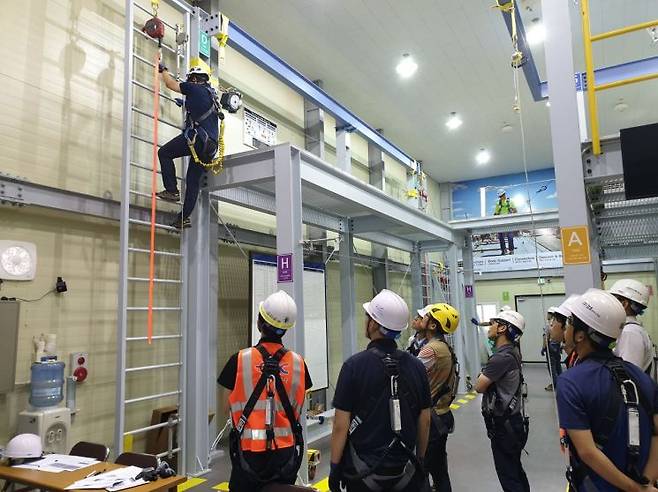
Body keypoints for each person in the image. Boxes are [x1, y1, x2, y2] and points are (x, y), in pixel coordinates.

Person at [329, 289, 432, 492]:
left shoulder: (353, 366)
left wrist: (334, 467)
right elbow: (425, 420)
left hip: (362, 474)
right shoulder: (416, 366)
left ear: (374, 324)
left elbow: (341, 424)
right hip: (405, 471)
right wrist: (419, 460)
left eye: (367, 317)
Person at [556, 288, 658, 492]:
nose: (565, 328)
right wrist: (646, 482)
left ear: (580, 336)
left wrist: (636, 490)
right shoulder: (640, 377)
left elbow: (587, 452)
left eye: (569, 323)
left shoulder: (570, 382)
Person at [217, 290, 313, 491]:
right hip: (285, 454)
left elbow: (226, 407)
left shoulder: (239, 360)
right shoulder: (299, 364)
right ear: (286, 329)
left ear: (260, 323)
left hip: (248, 454)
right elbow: (301, 405)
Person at [157, 64, 219, 229]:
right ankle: (183, 218)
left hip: (198, 139)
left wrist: (163, 71)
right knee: (193, 182)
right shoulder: (210, 95)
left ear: (194, 79)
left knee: (164, 153)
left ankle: (172, 190)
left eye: (189, 79)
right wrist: (185, 105)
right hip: (210, 147)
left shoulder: (193, 88)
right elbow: (200, 110)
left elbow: (171, 84)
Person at [475, 309, 530, 492]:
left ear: (502, 328)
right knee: (515, 470)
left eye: (494, 323)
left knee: (508, 476)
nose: (490, 326)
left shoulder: (500, 358)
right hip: (513, 422)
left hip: (504, 426)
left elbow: (479, 386)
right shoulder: (513, 352)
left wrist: (482, 375)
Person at [417, 303, 461, 492]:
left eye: (426, 316)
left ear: (433, 325)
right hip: (442, 415)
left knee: (422, 469)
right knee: (439, 469)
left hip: (431, 419)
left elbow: (411, 375)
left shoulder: (431, 349)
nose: (421, 319)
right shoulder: (444, 347)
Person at [609, 279, 654, 375]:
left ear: (624, 304)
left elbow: (629, 376)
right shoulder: (628, 329)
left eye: (612, 299)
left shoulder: (630, 333)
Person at [543, 306, 565, 392]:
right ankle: (561, 382)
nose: (547, 315)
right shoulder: (559, 323)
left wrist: (544, 347)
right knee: (558, 366)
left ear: (551, 314)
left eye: (548, 313)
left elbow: (546, 337)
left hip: (551, 347)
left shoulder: (550, 324)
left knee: (552, 367)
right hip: (557, 347)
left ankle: (555, 384)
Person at [493, 189, 517, 255]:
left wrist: (512, 212)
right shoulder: (498, 203)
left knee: (510, 236)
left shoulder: (510, 202)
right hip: (500, 222)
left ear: (504, 194)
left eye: (502, 195)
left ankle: (511, 250)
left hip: (509, 221)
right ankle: (504, 250)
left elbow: (515, 211)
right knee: (500, 236)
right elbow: (496, 213)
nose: (501, 197)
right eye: (500, 196)